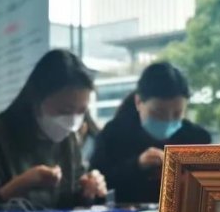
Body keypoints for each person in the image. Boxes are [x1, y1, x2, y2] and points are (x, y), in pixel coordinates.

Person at [0, 49, 107, 211]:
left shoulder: (69, 140)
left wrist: (89, 190)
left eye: (81, 112)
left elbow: (69, 203)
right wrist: (21, 184)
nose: (72, 121)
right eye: (64, 111)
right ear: (36, 99)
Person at [90, 61, 211, 204]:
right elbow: (97, 184)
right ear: (138, 102)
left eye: (177, 114)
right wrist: (137, 165)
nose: (168, 120)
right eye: (158, 113)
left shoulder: (197, 138)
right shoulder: (114, 134)